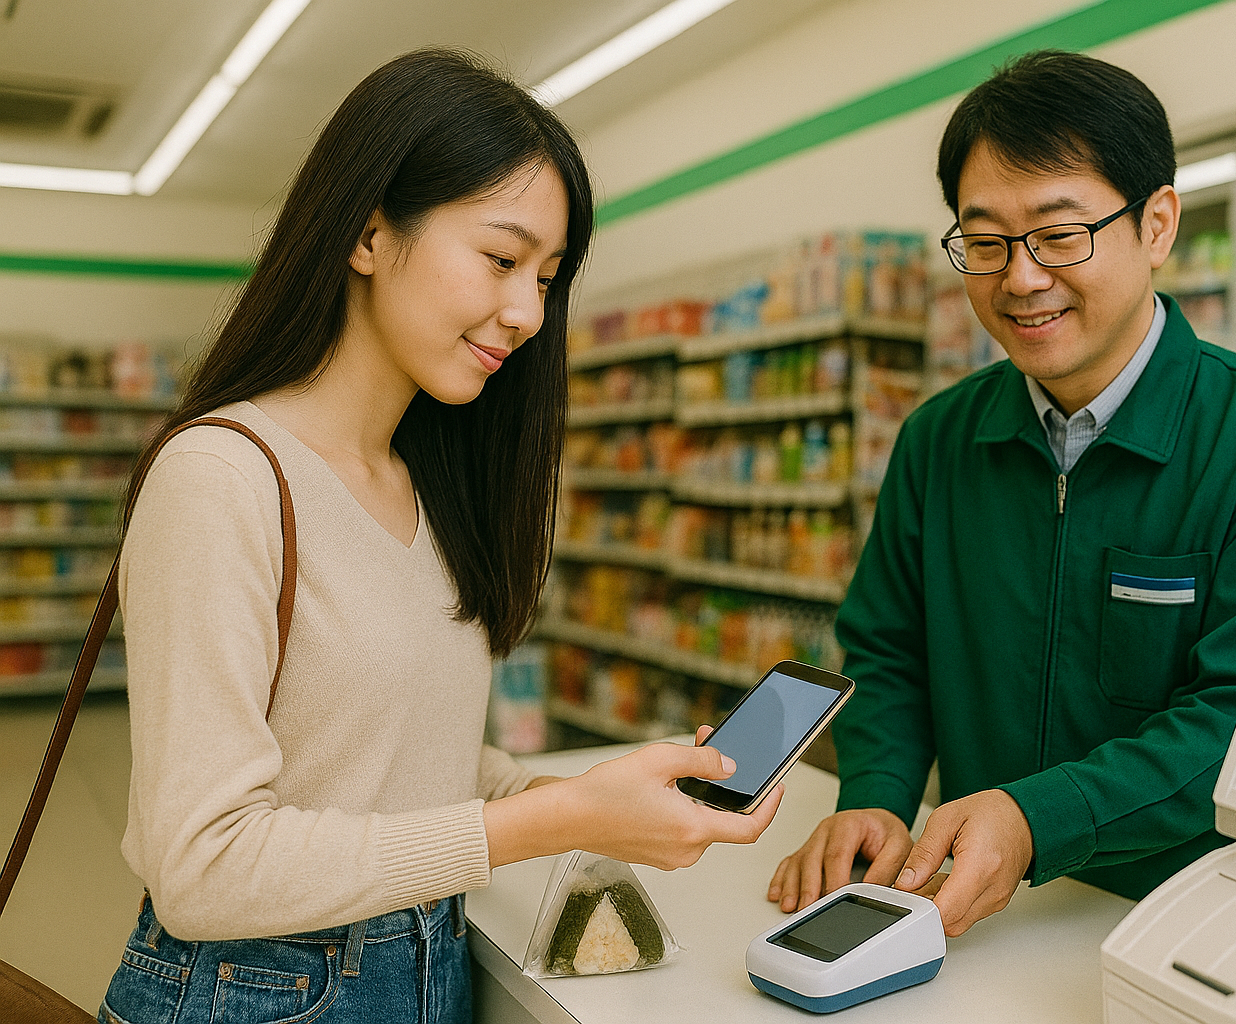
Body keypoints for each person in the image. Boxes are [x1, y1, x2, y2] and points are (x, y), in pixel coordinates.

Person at [99, 49, 779, 1024]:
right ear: (370, 233)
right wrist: (545, 820)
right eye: (502, 260)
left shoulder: (424, 485)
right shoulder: (223, 477)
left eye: (548, 277)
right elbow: (201, 868)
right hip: (254, 994)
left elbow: (408, 769)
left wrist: (596, 790)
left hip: (425, 972)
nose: (528, 312)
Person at [769, 50, 1236, 937]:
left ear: (1157, 224)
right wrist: (877, 798)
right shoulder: (938, 440)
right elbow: (888, 651)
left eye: (1058, 235)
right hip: (975, 913)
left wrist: (1035, 819)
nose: (1021, 278)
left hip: (1188, 920)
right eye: (987, 241)